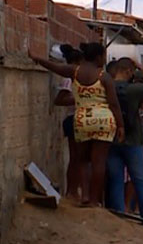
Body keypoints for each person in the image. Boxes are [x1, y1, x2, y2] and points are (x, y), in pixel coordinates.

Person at [31, 42, 124, 208]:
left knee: (81, 160)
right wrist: (121, 126)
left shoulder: (74, 71)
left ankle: (85, 196)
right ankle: (95, 200)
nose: (104, 59)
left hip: (82, 120)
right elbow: (114, 104)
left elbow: (54, 66)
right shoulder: (104, 77)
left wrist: (37, 58)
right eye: (103, 56)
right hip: (104, 120)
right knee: (99, 162)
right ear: (97, 57)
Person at [106, 57, 143, 220]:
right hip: (133, 140)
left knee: (116, 180)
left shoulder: (106, 87)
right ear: (128, 71)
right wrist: (141, 66)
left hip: (112, 138)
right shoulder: (133, 90)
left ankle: (119, 217)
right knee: (140, 181)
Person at [53, 45, 82, 202]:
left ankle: (74, 190)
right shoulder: (68, 79)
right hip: (73, 119)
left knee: (79, 158)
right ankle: (71, 191)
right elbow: (59, 100)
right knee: (76, 158)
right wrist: (81, 98)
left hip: (79, 120)